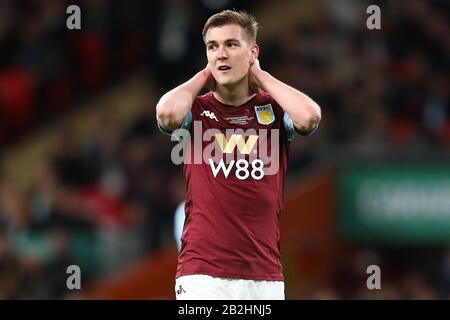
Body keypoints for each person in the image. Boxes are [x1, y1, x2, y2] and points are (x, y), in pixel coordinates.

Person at [156, 10, 321, 300]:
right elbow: (167, 113)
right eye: (212, 47)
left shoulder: (275, 111)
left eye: (231, 45)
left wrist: (260, 75)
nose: (221, 54)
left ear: (253, 51)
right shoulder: (194, 111)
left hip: (264, 274)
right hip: (203, 274)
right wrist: (204, 74)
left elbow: (309, 117)